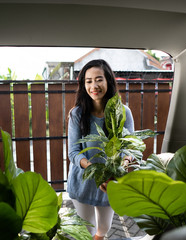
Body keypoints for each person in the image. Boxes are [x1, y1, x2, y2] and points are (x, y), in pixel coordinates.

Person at [67, 59, 134, 240]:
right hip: (82, 183)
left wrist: (122, 165)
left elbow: (130, 148)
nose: (94, 85)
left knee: (103, 229)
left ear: (108, 81)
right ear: (83, 85)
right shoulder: (77, 114)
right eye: (88, 81)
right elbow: (73, 153)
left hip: (110, 183)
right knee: (87, 232)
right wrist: (97, 172)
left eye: (98, 79)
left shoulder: (124, 112)